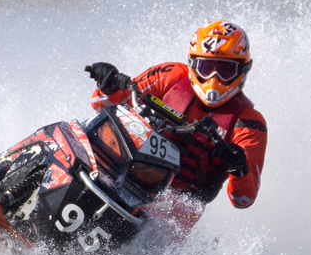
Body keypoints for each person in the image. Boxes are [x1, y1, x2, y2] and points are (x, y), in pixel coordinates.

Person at [84, 20, 267, 223]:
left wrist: (239, 167)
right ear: (193, 64)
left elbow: (244, 199)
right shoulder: (169, 75)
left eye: (225, 71)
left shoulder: (250, 122)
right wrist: (108, 85)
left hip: (169, 214)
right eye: (207, 68)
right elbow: (101, 104)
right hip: (122, 173)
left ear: (242, 71)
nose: (214, 80)